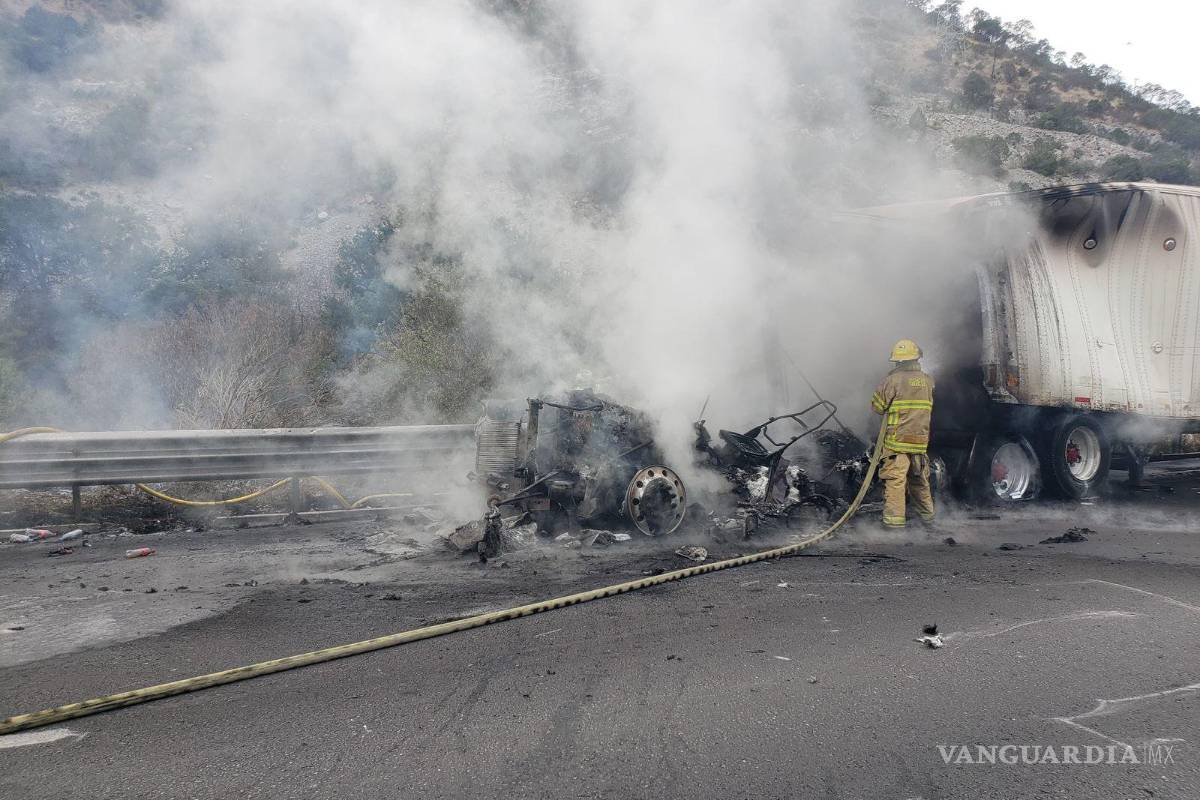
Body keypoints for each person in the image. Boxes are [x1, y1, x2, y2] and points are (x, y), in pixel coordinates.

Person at [870, 339, 936, 529]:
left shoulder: (892, 381)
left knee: (895, 481)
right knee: (919, 479)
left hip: (897, 442)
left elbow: (877, 407)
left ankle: (893, 523)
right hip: (920, 441)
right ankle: (928, 519)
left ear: (898, 362)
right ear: (916, 359)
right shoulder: (928, 380)